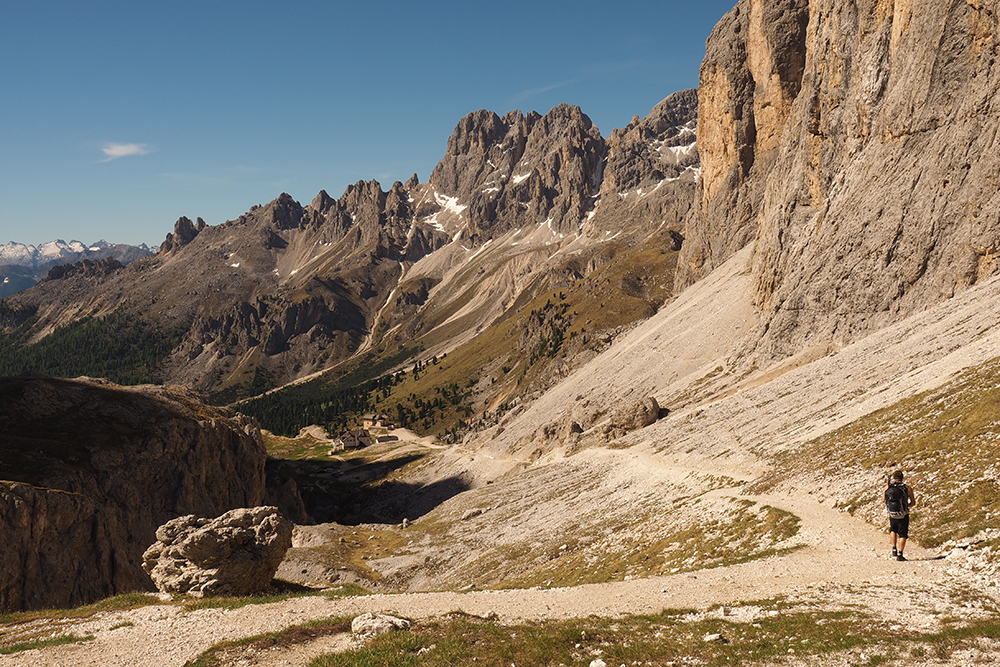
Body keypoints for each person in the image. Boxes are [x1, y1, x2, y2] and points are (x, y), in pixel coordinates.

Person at [884, 470, 916, 561]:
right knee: (903, 533)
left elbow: (883, 500)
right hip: (903, 514)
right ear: (902, 478)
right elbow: (913, 503)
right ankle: (900, 554)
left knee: (893, 529)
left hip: (892, 513)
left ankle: (894, 549)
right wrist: (907, 506)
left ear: (894, 478)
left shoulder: (888, 486)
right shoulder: (908, 488)